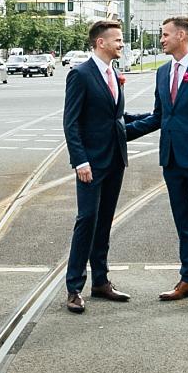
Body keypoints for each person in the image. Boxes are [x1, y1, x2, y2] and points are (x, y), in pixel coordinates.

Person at [126, 14, 188, 313]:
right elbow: (159, 117)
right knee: (183, 222)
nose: (162, 38)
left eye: (165, 34)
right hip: (170, 159)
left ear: (182, 35)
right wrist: (119, 131)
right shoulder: (162, 72)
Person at [62, 19, 133, 313]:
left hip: (114, 159)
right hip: (90, 163)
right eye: (117, 40)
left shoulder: (113, 73)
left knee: (104, 223)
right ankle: (74, 287)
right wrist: (80, 160)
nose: (121, 44)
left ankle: (101, 282)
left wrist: (160, 117)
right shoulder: (80, 74)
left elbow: (116, 118)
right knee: (86, 221)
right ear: (100, 42)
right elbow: (71, 123)